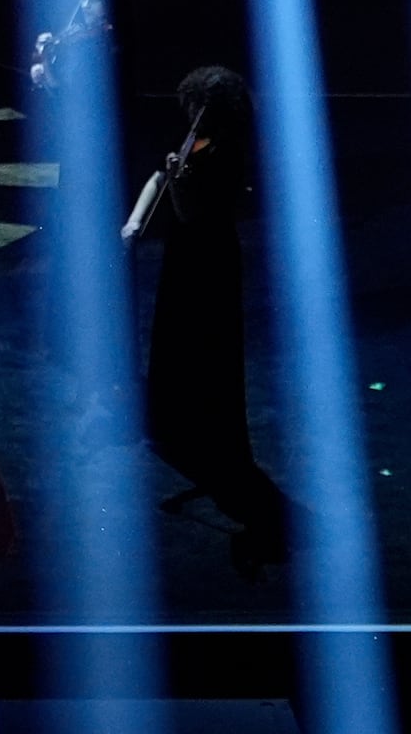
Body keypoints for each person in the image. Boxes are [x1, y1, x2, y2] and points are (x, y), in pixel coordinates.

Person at [141, 63, 287, 569]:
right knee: (178, 335)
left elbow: (191, 211)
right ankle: (176, 411)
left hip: (207, 254)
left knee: (202, 338)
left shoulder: (225, 155)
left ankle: (202, 424)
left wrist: (180, 183)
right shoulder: (199, 142)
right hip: (190, 252)